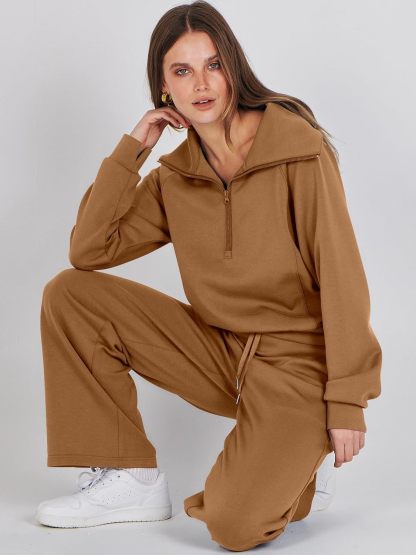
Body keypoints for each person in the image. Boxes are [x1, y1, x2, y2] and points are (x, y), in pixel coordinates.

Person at [36, 0, 382, 551]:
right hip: (220, 353)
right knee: (70, 295)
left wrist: (347, 400)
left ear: (233, 68)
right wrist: (135, 148)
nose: (201, 84)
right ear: (164, 88)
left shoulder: (296, 149)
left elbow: (342, 275)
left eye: (213, 64)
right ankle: (130, 478)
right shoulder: (176, 177)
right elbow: (89, 250)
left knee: (233, 526)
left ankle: (300, 470)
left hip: (298, 368)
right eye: (182, 70)